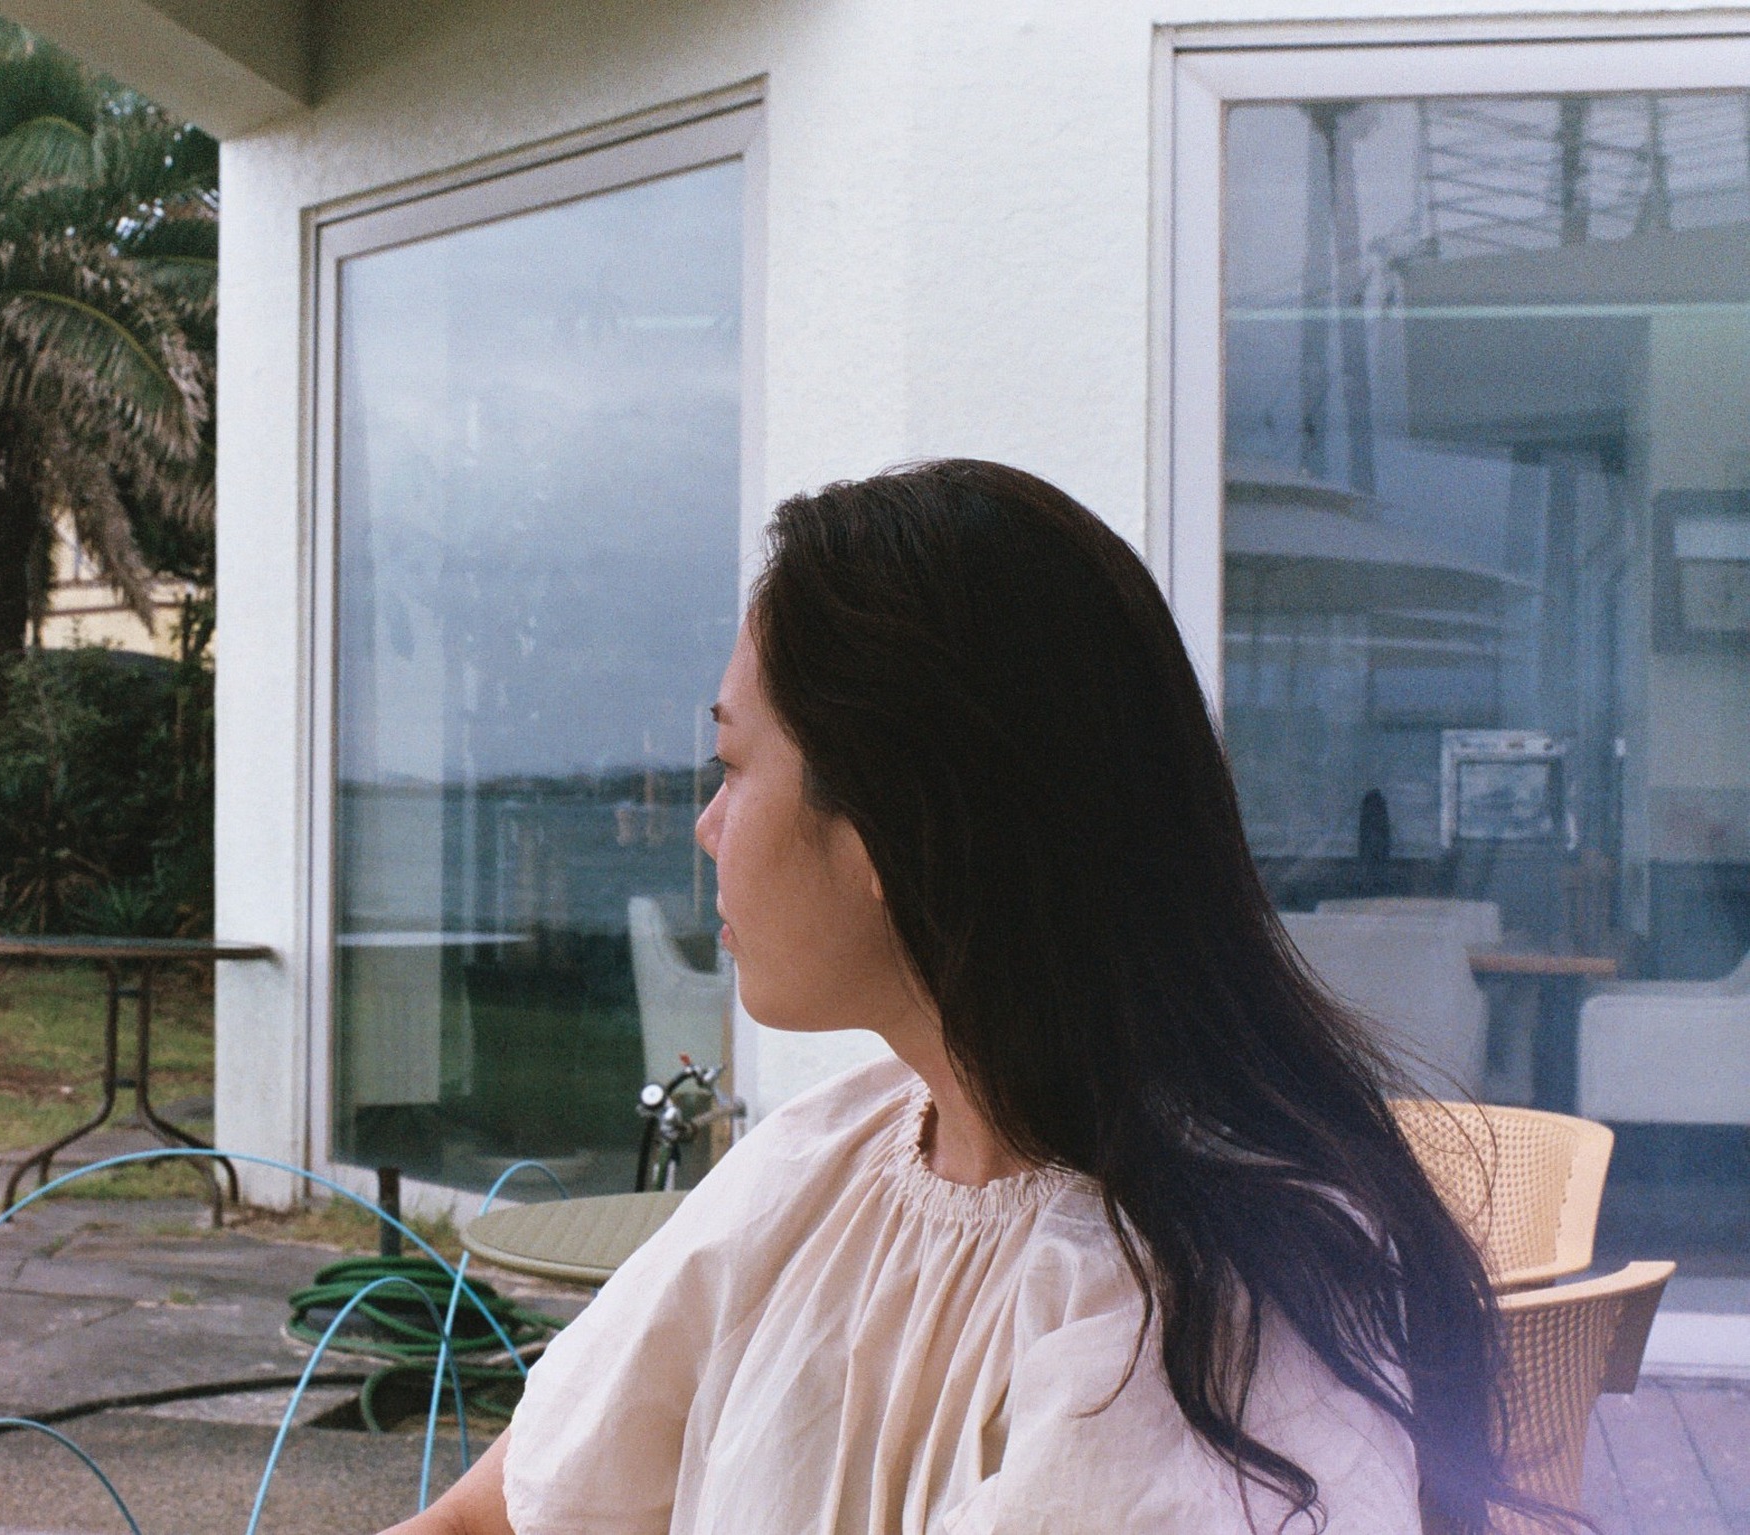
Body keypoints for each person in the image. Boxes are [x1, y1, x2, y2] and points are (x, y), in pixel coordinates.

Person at [385, 461, 1531, 1534]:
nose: (707, 826)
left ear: (894, 823)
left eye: (732, 767)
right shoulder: (824, 1161)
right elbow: (499, 1509)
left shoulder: (1203, 1315)